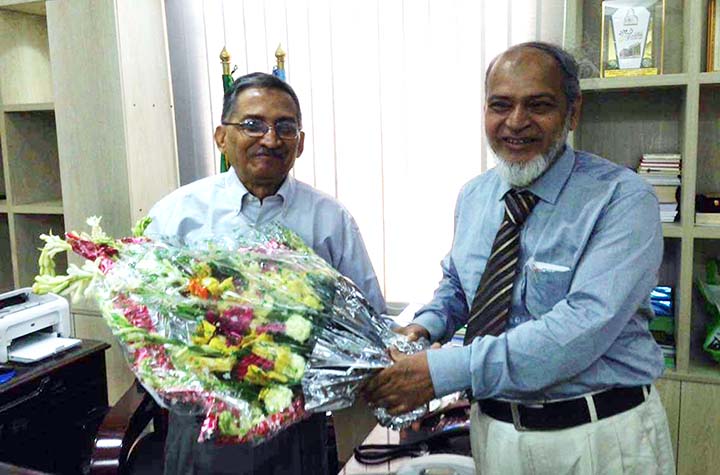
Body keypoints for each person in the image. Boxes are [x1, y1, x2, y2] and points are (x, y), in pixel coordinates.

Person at [362, 42, 674, 474]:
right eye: (500, 105)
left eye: (539, 105)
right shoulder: (475, 196)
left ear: (572, 112)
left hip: (597, 437)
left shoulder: (622, 199)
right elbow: (458, 284)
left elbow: (579, 330)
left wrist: (440, 370)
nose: (516, 122)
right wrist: (421, 327)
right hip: (494, 434)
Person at [146, 72, 386, 475]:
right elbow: (144, 321)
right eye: (252, 124)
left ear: (301, 142)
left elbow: (369, 323)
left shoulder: (330, 221)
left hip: (296, 427)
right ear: (221, 137)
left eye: (285, 127)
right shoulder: (177, 216)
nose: (270, 139)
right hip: (202, 428)